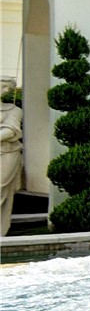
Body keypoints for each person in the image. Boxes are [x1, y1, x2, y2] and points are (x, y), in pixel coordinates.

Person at [0, 99, 22, 235]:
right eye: (2, 85)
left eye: (8, 86)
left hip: (8, 152)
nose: (5, 89)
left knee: (1, 187)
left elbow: (10, 131)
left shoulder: (15, 110)